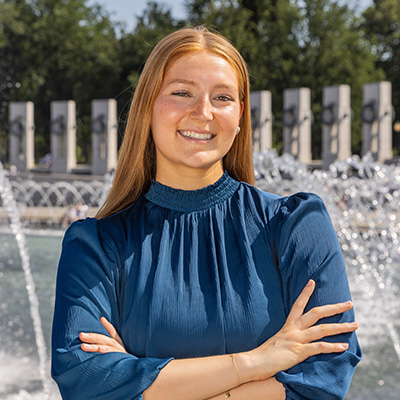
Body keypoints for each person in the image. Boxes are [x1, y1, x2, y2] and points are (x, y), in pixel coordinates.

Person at [51, 26, 361, 400]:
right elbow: (83, 379)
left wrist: (141, 383)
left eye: (223, 97)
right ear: (148, 106)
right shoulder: (95, 245)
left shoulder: (296, 225)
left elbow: (326, 378)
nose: (203, 112)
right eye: (182, 93)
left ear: (241, 114)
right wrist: (257, 362)